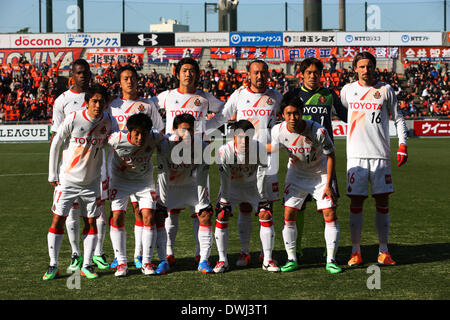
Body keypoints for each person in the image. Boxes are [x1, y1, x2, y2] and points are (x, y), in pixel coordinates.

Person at [151, 57, 224, 266]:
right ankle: (169, 252)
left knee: (200, 209)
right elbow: (147, 109)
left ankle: (201, 254)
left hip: (197, 156)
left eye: (192, 70)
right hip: (172, 155)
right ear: (177, 74)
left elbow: (225, 112)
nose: (188, 74)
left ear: (197, 74)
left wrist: (207, 129)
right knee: (170, 211)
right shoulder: (166, 97)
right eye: (184, 70)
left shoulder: (205, 98)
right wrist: (162, 130)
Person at [43, 84, 118, 280]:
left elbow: (116, 143)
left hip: (92, 181)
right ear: (87, 102)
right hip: (67, 180)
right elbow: (57, 142)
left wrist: (111, 173)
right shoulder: (74, 118)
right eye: (94, 101)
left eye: (102, 101)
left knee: (91, 221)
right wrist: (53, 174)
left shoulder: (109, 121)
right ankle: (53, 264)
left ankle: (87, 265)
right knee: (58, 219)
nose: (98, 104)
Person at [340, 51, 408, 266]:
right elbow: (344, 112)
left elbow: (398, 118)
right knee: (356, 202)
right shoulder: (347, 91)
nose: (365, 70)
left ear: (374, 67)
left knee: (383, 201)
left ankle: (383, 251)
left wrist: (403, 145)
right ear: (355, 69)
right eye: (361, 66)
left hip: (380, 155)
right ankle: (356, 251)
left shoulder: (385, 90)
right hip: (356, 157)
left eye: (369, 66)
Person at [217, 59, 282, 267]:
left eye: (264, 72)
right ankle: (244, 252)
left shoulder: (276, 97)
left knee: (266, 208)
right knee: (245, 207)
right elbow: (222, 117)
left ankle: (266, 254)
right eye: (256, 72)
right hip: (242, 159)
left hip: (267, 160)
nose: (260, 76)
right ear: (249, 74)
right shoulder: (239, 95)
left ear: (268, 74)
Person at [269, 91, 342, 274]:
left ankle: (331, 260)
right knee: (289, 212)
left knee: (329, 213)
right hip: (297, 173)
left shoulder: (318, 130)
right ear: (282, 115)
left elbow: (331, 156)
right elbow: (273, 148)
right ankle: (292, 258)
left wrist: (328, 185)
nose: (293, 118)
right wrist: (249, 148)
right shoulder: (277, 131)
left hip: (320, 174)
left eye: (296, 113)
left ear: (302, 112)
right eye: (288, 114)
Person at [50, 59, 110, 272]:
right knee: (71, 212)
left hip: (95, 165)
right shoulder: (62, 101)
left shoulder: (101, 99)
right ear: (72, 76)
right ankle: (76, 253)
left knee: (97, 212)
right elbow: (56, 136)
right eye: (79, 72)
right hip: (71, 167)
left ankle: (96, 254)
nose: (83, 75)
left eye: (86, 72)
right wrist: (56, 169)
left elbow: (109, 132)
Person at [108, 64, 165, 270]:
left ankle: (140, 256)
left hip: (142, 172)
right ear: (119, 82)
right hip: (118, 169)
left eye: (133, 77)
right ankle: (119, 258)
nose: (130, 81)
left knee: (142, 213)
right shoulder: (112, 105)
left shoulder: (148, 106)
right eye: (125, 78)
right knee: (118, 214)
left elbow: (160, 132)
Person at [292, 57, 348, 257]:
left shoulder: (329, 95)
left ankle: (329, 251)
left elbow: (348, 116)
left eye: (316, 73)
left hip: (325, 159)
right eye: (309, 73)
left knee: (330, 204)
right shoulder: (294, 95)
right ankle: (296, 250)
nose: (313, 76)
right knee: (297, 206)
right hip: (300, 158)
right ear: (302, 74)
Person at [215, 120, 279, 273]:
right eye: (240, 137)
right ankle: (222, 260)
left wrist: (263, 198)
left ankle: (267, 259)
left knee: (265, 214)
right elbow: (224, 179)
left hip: (253, 186)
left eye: (248, 137)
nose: (244, 141)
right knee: (222, 215)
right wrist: (224, 200)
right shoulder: (224, 152)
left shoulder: (260, 149)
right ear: (233, 137)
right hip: (232, 187)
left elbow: (262, 175)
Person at [157, 113, 214, 273]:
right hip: (170, 185)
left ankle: (203, 259)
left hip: (191, 185)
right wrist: (161, 203)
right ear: (174, 129)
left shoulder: (202, 147)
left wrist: (203, 204)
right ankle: (166, 257)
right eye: (182, 130)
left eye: (189, 130)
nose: (186, 134)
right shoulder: (165, 145)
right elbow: (162, 175)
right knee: (161, 215)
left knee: (205, 215)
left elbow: (202, 178)